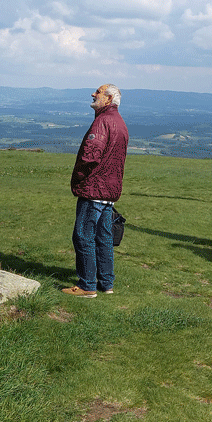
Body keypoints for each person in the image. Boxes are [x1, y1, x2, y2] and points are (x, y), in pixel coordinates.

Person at [63, 84, 129, 298]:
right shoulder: (120, 123)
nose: (93, 94)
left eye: (98, 92)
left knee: (83, 235)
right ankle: (106, 283)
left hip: (94, 189)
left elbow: (90, 156)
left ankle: (87, 285)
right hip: (109, 191)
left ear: (108, 99)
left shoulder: (102, 122)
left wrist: (79, 178)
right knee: (103, 238)